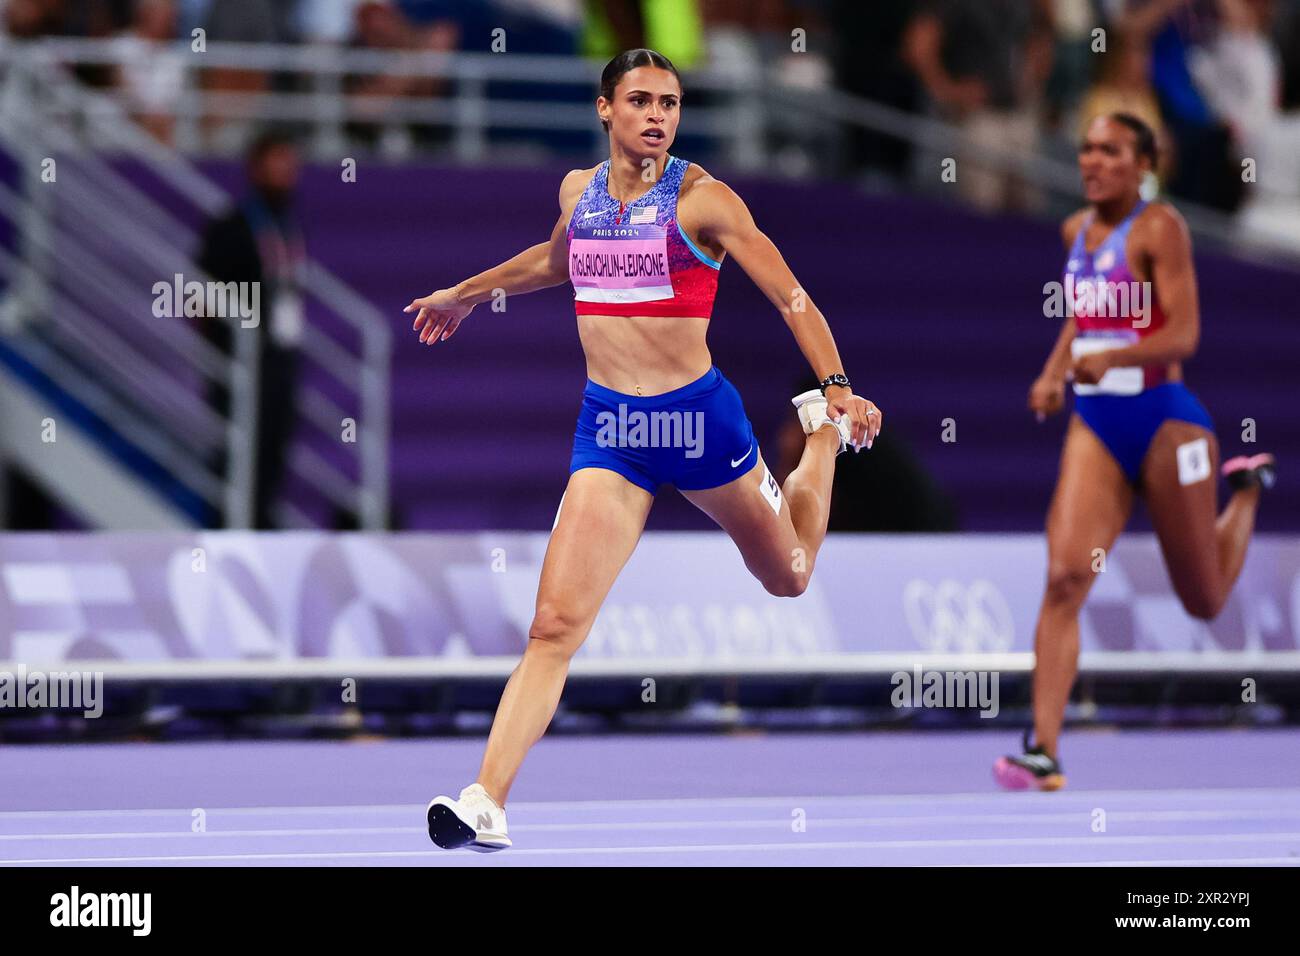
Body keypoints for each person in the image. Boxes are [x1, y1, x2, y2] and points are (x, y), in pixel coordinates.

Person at [406, 48, 882, 850]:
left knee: (791, 576)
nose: (658, 115)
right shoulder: (578, 194)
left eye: (671, 102)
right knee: (554, 624)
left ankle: (820, 441)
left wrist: (835, 385)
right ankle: (486, 798)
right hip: (614, 433)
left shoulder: (705, 203)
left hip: (700, 426)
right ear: (605, 109)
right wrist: (463, 293)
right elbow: (555, 263)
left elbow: (790, 293)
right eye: (641, 100)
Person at [994, 113, 1275, 791]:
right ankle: (1045, 751)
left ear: (1144, 163)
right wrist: (1054, 369)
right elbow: (1082, 314)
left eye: (1110, 151)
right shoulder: (1073, 231)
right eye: (1087, 147)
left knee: (1203, 599)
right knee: (1064, 577)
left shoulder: (1160, 229)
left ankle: (1246, 493)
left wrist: (1115, 355)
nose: (1091, 160)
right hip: (1097, 422)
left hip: (1166, 422)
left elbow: (1184, 334)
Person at [196, 129, 307, 529]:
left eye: (290, 166)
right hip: (243, 359)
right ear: (256, 170)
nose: (286, 175)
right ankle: (229, 525)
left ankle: (261, 522)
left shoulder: (285, 222)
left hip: (280, 355)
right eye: (277, 166)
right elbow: (201, 294)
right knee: (240, 447)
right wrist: (222, 351)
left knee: (274, 446)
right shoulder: (233, 225)